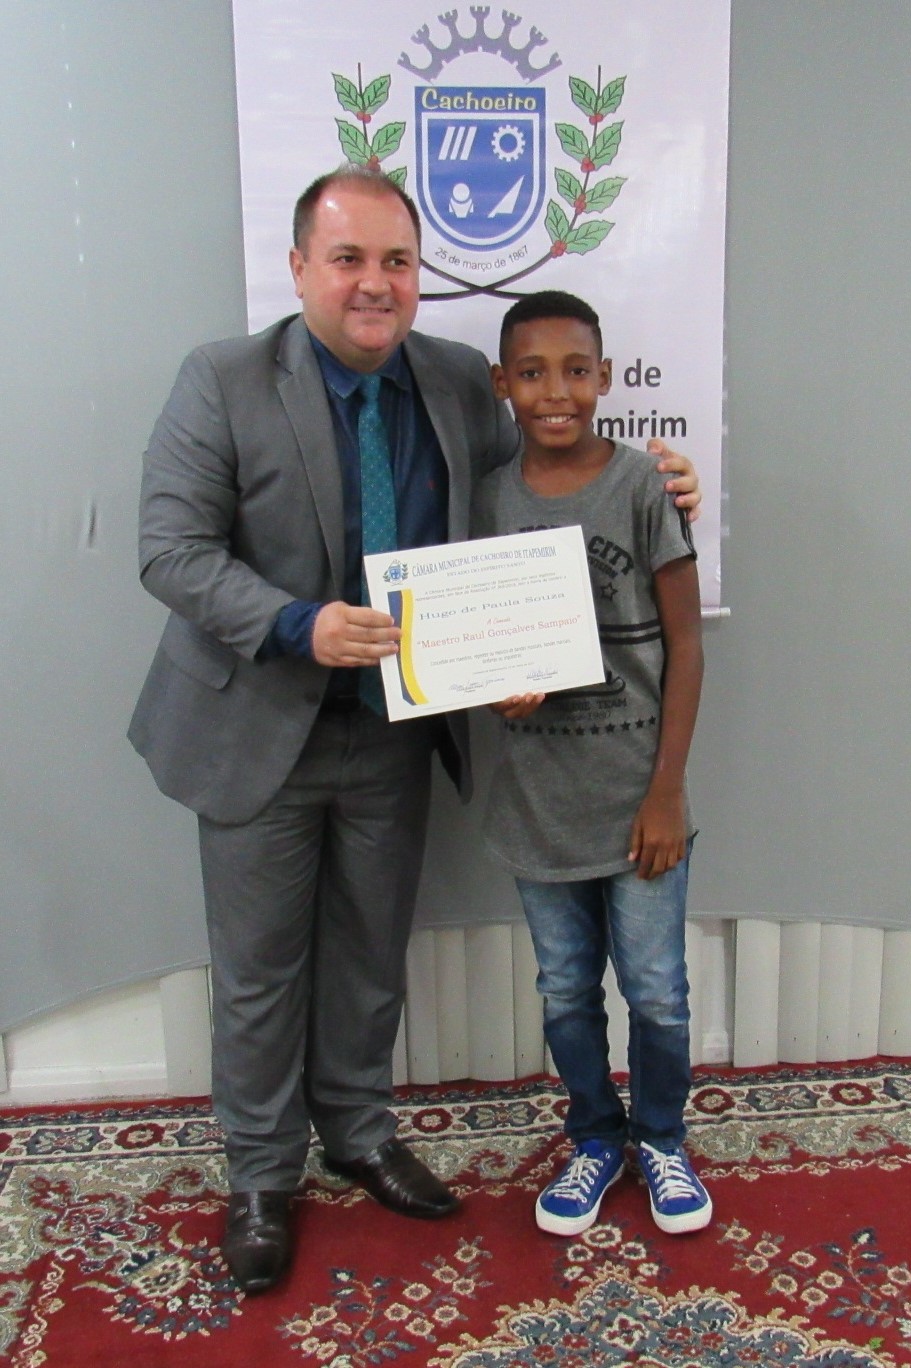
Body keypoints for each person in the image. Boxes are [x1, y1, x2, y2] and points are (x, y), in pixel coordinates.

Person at [129, 168, 702, 1293]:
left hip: (398, 724)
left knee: (368, 950)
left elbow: (550, 470)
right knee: (258, 971)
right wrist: (296, 623)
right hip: (259, 728)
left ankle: (357, 1130)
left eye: (396, 261)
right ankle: (260, 1176)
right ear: (299, 267)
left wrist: (663, 480)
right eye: (348, 259)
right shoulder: (222, 379)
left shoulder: (450, 379)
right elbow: (170, 550)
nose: (374, 284)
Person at [470, 289, 711, 1239]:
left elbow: (687, 644)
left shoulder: (644, 487)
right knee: (565, 990)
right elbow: (470, 643)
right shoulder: (488, 500)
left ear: (606, 378)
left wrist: (667, 792)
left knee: (657, 991)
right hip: (537, 804)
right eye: (532, 373)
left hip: (639, 802)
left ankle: (662, 1138)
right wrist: (497, 685)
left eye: (576, 371)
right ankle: (595, 1138)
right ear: (503, 384)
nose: (556, 392)